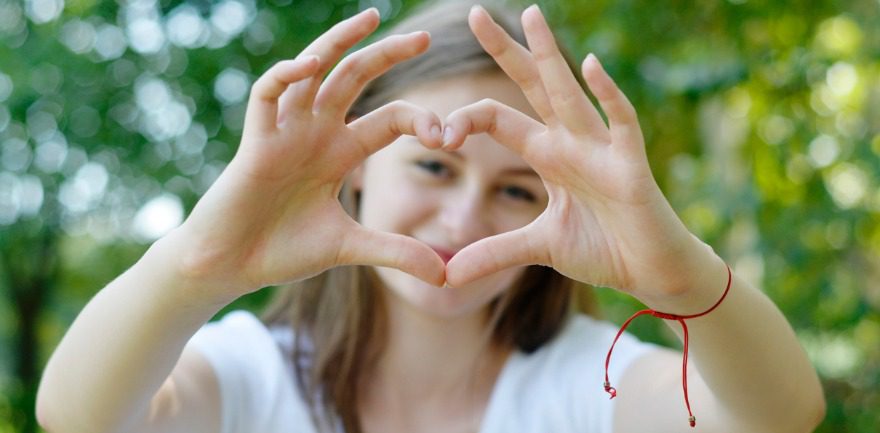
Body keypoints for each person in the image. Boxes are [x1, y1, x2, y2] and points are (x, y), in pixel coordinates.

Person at [35, 1, 826, 432]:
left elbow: (777, 419)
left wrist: (680, 273)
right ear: (355, 170)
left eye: (518, 188)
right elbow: (78, 418)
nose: (463, 213)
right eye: (433, 164)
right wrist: (199, 263)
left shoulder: (594, 384)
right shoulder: (251, 372)